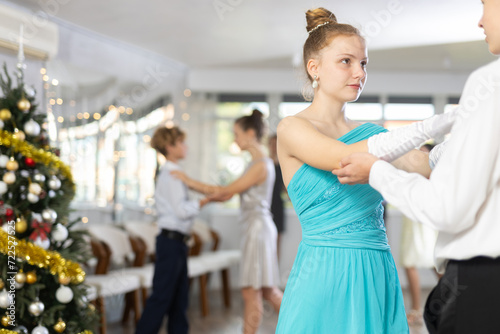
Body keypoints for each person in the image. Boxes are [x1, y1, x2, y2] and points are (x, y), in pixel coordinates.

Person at [274, 7, 459, 334]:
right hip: (323, 274)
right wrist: (428, 125)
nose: (358, 72)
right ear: (313, 68)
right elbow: (344, 158)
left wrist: (466, 134)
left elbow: (424, 165)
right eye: (346, 61)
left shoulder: (373, 133)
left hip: (376, 271)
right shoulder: (292, 128)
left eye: (363, 63)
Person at [332, 1, 500, 332]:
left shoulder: (489, 83)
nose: (480, 20)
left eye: (486, 4)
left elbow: (449, 209)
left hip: (482, 282)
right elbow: (451, 156)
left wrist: (377, 172)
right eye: (346, 61)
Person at [171, 109, 283, 334]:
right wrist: (205, 195)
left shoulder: (261, 164)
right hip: (257, 228)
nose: (235, 139)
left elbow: (226, 191)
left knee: (252, 292)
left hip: (257, 229)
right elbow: (227, 194)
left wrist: (188, 181)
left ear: (250, 133)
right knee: (267, 291)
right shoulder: (257, 163)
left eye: (236, 134)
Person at [135, 126, 211, 334]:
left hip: (177, 243)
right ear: (170, 146)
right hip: (170, 243)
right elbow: (181, 211)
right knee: (161, 297)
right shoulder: (172, 175)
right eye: (181, 142)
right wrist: (203, 201)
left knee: (179, 299)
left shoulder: (175, 173)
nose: (186, 146)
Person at [399, 144, 440, 326]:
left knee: (418, 262)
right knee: (421, 262)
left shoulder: (435, 172)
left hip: (425, 221)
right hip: (413, 219)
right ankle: (416, 308)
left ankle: (416, 309)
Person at [268, 134, 286, 260]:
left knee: (276, 243)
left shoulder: (284, 166)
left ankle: (274, 275)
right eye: (272, 144)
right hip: (265, 205)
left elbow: (286, 188)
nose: (274, 147)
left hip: (277, 205)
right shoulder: (264, 164)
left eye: (276, 144)